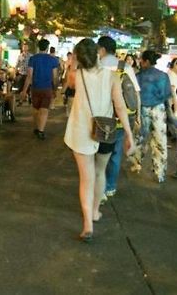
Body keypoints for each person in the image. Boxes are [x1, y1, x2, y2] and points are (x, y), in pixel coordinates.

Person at [64, 39, 134, 242]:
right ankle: (95, 211)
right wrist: (128, 134)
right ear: (97, 53)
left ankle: (87, 224)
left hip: (81, 131)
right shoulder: (112, 76)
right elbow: (120, 106)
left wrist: (74, 62)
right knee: (99, 171)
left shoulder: (75, 76)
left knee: (86, 178)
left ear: (78, 57)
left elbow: (68, 82)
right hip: (106, 131)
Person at [97, 36, 141, 198]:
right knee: (115, 153)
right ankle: (110, 186)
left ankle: (98, 190)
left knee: (99, 154)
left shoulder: (97, 66)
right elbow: (136, 94)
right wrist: (138, 116)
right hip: (122, 119)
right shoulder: (125, 67)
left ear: (101, 49)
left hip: (101, 117)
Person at [129, 50, 171, 183]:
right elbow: (167, 94)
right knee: (160, 141)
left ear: (146, 61)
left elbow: (134, 95)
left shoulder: (138, 76)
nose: (140, 62)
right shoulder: (163, 76)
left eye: (141, 60)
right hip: (159, 109)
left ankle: (137, 164)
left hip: (143, 110)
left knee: (140, 138)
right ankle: (160, 172)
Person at [21, 38, 59, 140]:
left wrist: (24, 90)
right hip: (47, 88)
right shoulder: (53, 60)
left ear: (38, 47)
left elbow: (29, 76)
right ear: (47, 48)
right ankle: (41, 130)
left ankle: (37, 127)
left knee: (35, 109)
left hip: (35, 87)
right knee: (44, 110)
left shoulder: (33, 59)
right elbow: (55, 76)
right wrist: (55, 89)